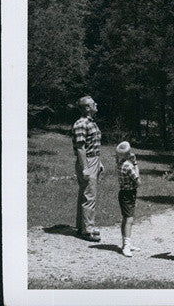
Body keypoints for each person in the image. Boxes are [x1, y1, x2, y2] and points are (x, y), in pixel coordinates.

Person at [71, 95, 103, 241]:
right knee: (89, 195)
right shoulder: (81, 124)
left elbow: (93, 145)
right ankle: (87, 230)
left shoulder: (91, 122)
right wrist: (85, 168)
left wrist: (99, 161)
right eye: (93, 103)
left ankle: (81, 226)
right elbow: (80, 148)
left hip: (93, 159)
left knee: (87, 193)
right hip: (87, 161)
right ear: (87, 108)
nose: (96, 104)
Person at [115, 141, 141, 256]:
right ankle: (126, 246)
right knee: (129, 219)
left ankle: (126, 242)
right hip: (129, 194)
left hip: (123, 193)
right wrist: (135, 163)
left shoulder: (119, 163)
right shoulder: (129, 165)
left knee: (126, 219)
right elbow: (138, 181)